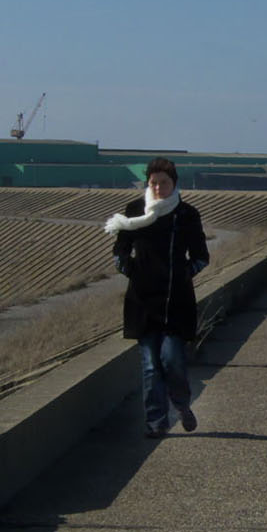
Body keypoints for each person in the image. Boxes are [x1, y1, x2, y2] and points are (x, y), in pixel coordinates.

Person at [106, 158, 210, 438]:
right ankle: (156, 423)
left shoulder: (187, 214)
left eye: (164, 182)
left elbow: (201, 257)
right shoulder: (134, 212)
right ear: (148, 183)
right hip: (142, 301)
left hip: (176, 302)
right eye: (154, 182)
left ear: (174, 183)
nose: (159, 187)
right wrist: (131, 270)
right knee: (151, 366)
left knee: (173, 360)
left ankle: (182, 405)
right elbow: (120, 251)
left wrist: (183, 275)